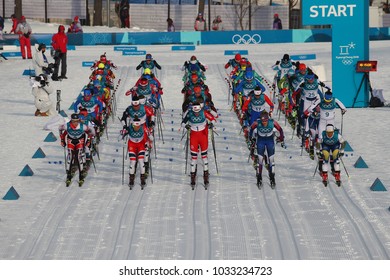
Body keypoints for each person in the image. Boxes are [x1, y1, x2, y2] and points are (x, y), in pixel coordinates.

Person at [181, 102, 217, 187]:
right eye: (195, 112)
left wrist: (211, 124)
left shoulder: (204, 112)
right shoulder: (190, 113)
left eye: (198, 111)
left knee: (204, 157)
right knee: (194, 158)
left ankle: (206, 175)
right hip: (194, 136)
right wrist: (185, 126)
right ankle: (193, 176)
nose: (196, 113)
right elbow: (183, 122)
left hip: (203, 136)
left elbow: (213, 119)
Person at [59, 113, 96, 186]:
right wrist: (62, 140)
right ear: (71, 120)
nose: (75, 123)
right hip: (70, 141)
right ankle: (68, 176)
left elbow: (90, 131)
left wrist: (89, 140)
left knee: (79, 157)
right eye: (73, 121)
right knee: (70, 157)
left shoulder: (83, 126)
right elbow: (60, 129)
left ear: (78, 120)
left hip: (80, 141)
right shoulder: (67, 125)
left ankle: (81, 177)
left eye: (76, 121)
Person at [251, 110, 284, 188]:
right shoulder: (257, 122)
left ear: (268, 119)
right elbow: (251, 129)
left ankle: (272, 178)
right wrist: (251, 138)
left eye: (265, 121)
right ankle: (259, 178)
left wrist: (281, 138)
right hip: (260, 141)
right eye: (263, 121)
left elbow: (280, 129)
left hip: (270, 141)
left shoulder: (272, 122)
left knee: (271, 159)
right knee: (260, 160)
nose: (264, 123)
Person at [121, 116, 151, 188]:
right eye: (135, 126)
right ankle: (131, 180)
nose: (136, 128)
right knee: (133, 162)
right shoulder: (130, 128)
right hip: (132, 145)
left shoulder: (143, 128)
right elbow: (122, 134)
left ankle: (142, 179)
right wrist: (122, 134)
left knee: (141, 161)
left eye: (138, 126)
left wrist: (147, 143)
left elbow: (148, 136)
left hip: (140, 145)